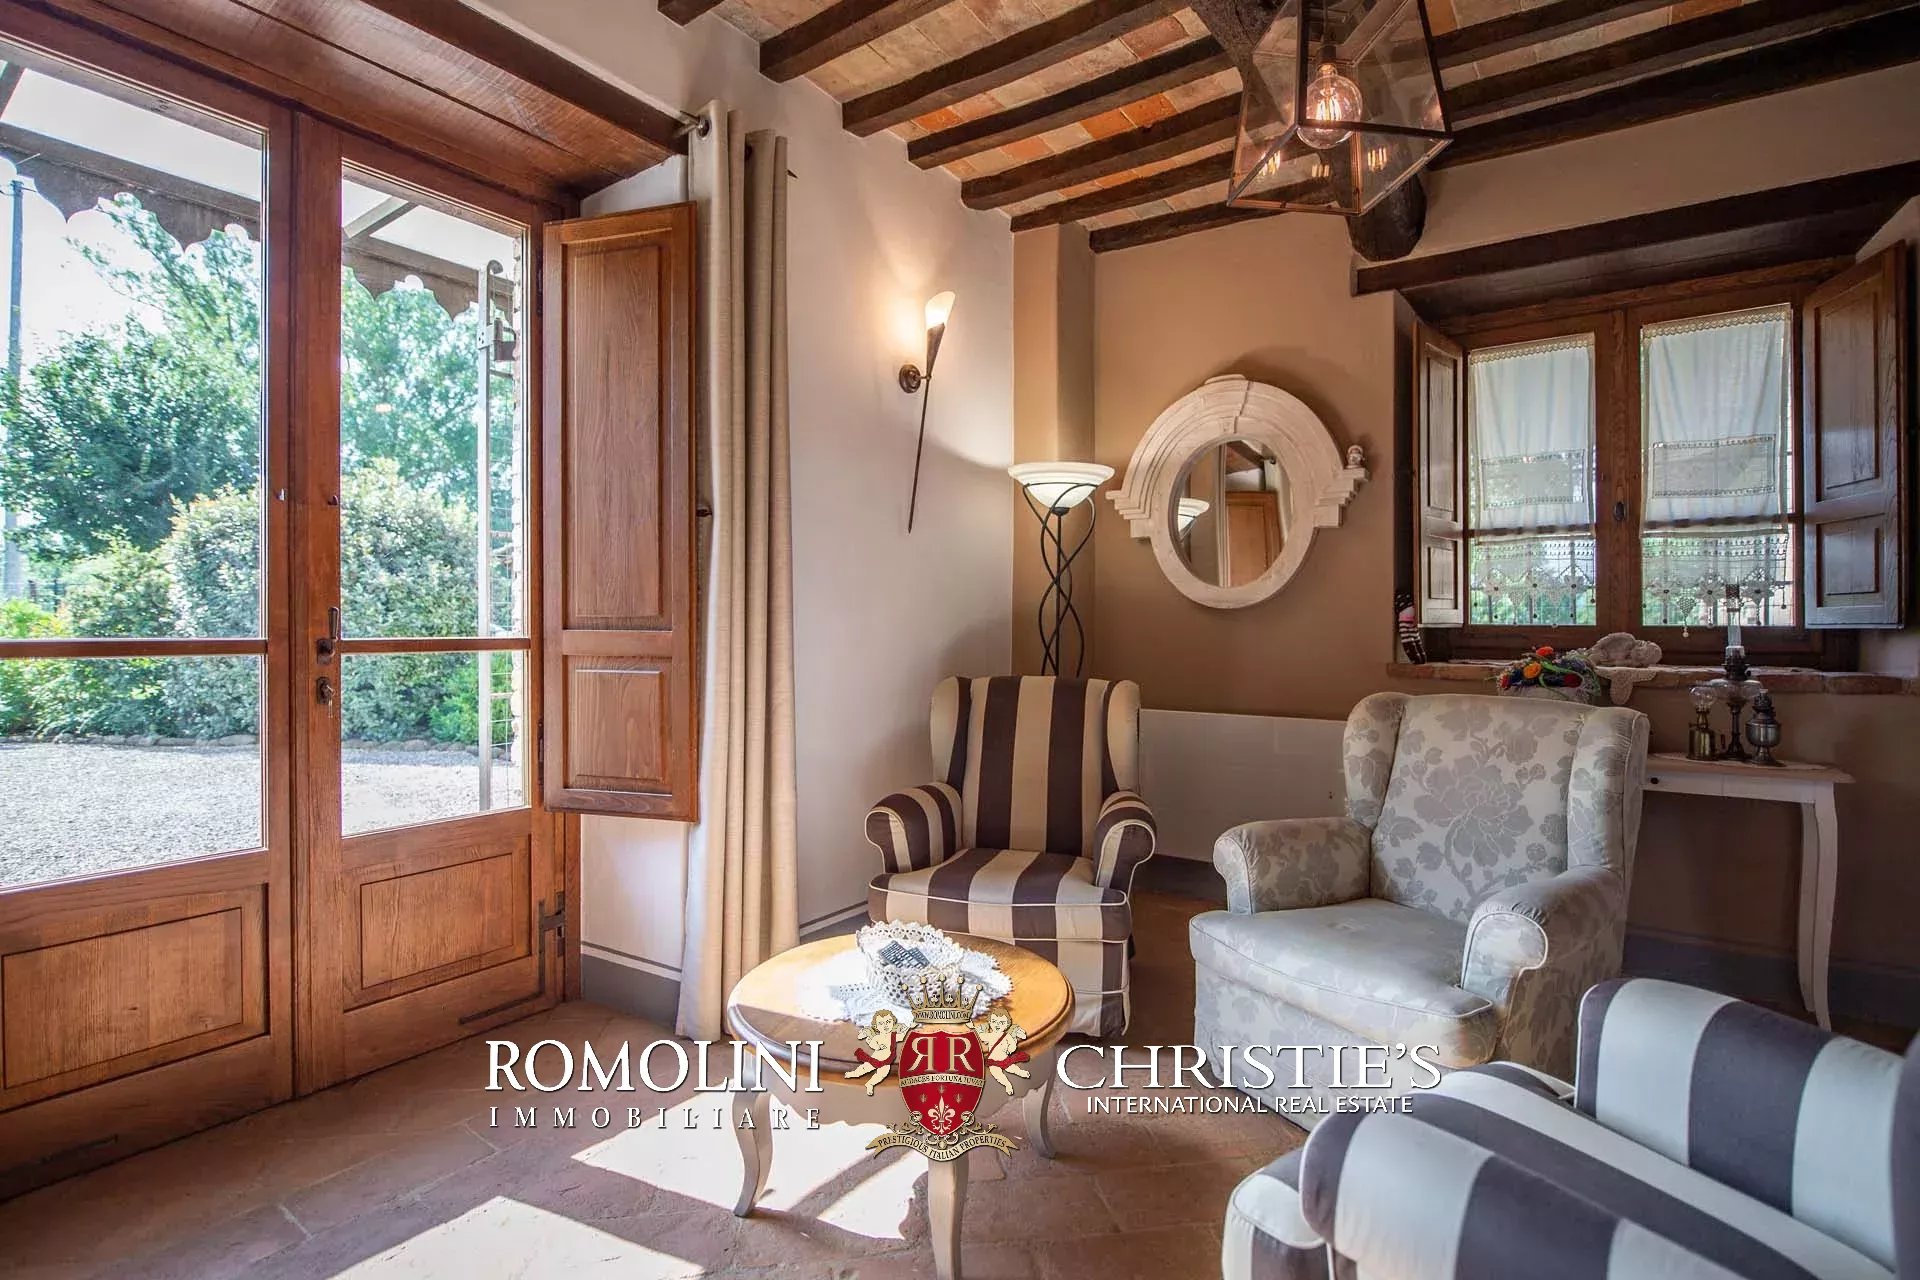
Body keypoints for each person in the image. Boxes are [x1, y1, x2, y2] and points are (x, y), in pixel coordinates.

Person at [842, 1008, 901, 1095]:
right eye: (881, 1023)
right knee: (865, 1068)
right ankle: (854, 1073)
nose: (885, 1025)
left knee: (881, 1075)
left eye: (888, 1022)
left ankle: (870, 1084)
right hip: (876, 1059)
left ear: (893, 1022)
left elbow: (902, 1036)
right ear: (876, 1026)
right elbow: (873, 1044)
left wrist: (911, 1026)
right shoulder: (877, 1037)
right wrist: (878, 1046)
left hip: (887, 1061)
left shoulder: (893, 1035)